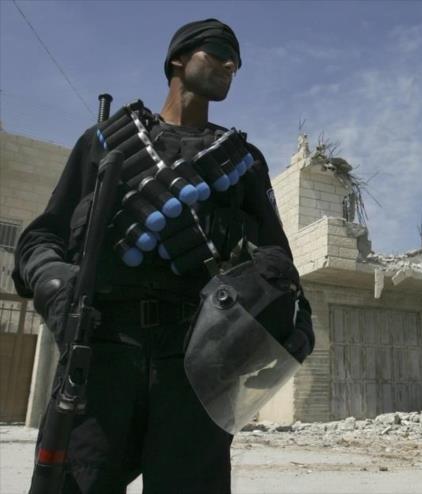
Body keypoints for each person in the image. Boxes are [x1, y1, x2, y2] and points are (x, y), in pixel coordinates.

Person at [13, 19, 313, 493]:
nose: (229, 64)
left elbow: (278, 258)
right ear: (177, 59)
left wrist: (292, 315)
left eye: (235, 60)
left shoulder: (243, 161)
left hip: (200, 358)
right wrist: (54, 282)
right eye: (216, 52)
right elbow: (41, 237)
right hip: (106, 350)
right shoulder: (106, 143)